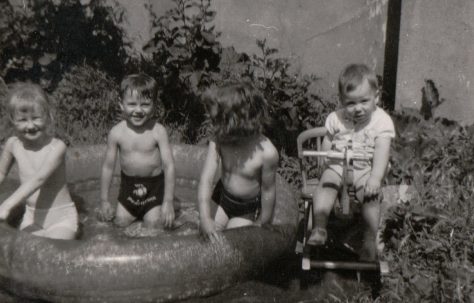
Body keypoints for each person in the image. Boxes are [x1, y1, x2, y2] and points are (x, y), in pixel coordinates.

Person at [307, 64, 395, 261]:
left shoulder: (381, 121)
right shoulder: (336, 118)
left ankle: (369, 238)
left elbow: (382, 152)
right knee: (326, 186)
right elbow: (328, 141)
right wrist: (324, 159)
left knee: (370, 195)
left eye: (364, 101)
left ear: (377, 97)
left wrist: (375, 177)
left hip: (367, 167)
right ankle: (320, 228)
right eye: (351, 103)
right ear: (341, 100)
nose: (358, 108)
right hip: (338, 163)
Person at [198, 82, 279, 242]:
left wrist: (265, 222)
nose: (213, 126)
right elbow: (206, 179)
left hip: (245, 209)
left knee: (232, 242)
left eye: (217, 121)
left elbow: (268, 190)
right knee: (205, 237)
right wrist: (204, 217)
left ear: (237, 122)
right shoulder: (220, 139)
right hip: (222, 198)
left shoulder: (267, 153)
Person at [0, 83, 78, 239]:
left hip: (61, 219)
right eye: (22, 120)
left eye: (35, 118)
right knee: (24, 254)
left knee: (51, 253)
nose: (30, 125)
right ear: (12, 120)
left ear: (47, 117)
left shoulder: (56, 147)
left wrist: (7, 205)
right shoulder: (12, 145)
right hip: (31, 218)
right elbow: (1, 172)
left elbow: (38, 179)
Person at [98, 73, 175, 230]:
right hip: (128, 189)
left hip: (153, 191)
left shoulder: (158, 131)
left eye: (145, 104)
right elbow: (108, 167)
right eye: (132, 104)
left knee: (154, 226)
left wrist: (168, 201)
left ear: (154, 105)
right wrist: (104, 200)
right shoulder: (116, 133)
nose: (138, 110)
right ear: (121, 104)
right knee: (118, 225)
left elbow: (169, 166)